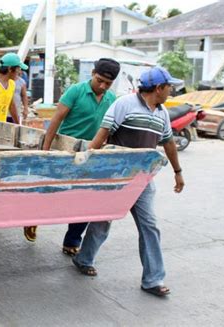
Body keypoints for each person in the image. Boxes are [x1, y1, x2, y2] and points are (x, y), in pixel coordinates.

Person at [72, 66, 185, 298]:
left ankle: (153, 279)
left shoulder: (162, 113)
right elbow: (102, 134)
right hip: (117, 176)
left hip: (143, 178)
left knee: (150, 226)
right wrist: (86, 160)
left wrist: (178, 171)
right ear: (158, 88)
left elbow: (169, 143)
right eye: (169, 86)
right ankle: (84, 258)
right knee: (103, 222)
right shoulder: (124, 104)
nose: (171, 90)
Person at [23, 58, 121, 257]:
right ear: (93, 73)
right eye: (99, 80)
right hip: (64, 151)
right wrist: (45, 151)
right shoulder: (76, 91)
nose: (102, 86)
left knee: (85, 199)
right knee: (51, 194)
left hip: (89, 155)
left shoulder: (112, 100)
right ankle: (31, 218)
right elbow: (55, 121)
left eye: (107, 84)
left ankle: (72, 241)